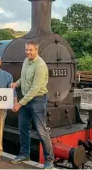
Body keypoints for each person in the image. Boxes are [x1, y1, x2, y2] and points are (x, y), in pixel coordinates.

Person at [10, 41, 55, 169]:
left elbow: (35, 89)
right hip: (26, 99)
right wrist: (16, 84)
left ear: (36, 50)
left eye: (30, 50)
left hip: (37, 100)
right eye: (26, 50)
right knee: (23, 127)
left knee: (41, 131)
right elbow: (24, 78)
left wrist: (19, 103)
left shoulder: (40, 66)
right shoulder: (26, 61)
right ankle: (24, 154)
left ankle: (49, 160)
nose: (28, 52)